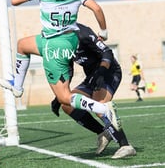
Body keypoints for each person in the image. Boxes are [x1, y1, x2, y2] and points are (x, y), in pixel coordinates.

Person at [0, 0, 120, 133]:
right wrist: (103, 32)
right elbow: (97, 8)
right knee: (23, 45)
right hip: (68, 41)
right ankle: (17, 86)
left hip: (53, 45)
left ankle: (102, 109)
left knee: (64, 97)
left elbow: (14, 0)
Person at [50, 23, 136, 159]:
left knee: (99, 103)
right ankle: (103, 133)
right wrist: (60, 96)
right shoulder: (57, 38)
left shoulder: (83, 32)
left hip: (108, 72)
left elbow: (107, 52)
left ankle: (125, 145)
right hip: (91, 76)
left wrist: (101, 73)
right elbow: (68, 68)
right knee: (67, 104)